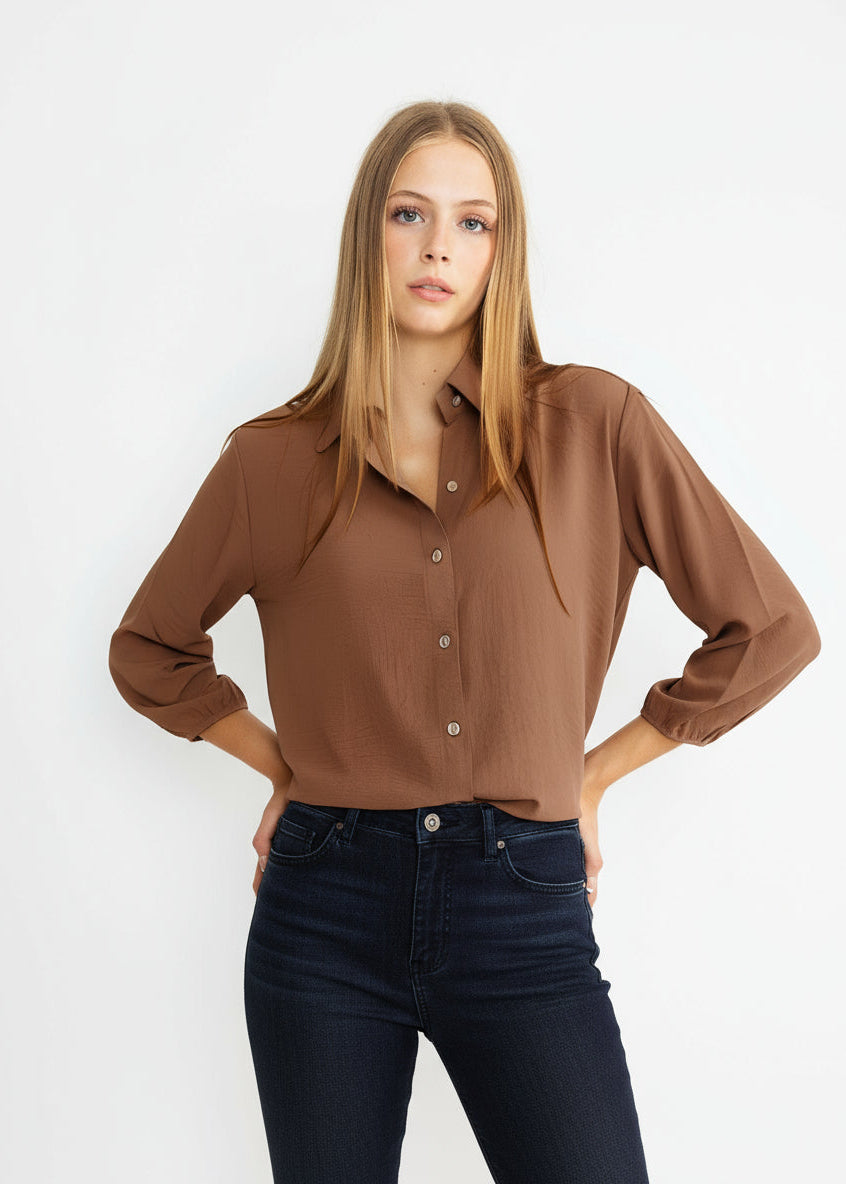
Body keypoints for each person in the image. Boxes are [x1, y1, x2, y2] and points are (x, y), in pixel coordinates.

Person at [108, 100, 821, 1184]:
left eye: (474, 222)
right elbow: (150, 645)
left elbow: (770, 627)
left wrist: (594, 775)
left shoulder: (596, 426)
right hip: (323, 909)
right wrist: (283, 766)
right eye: (410, 212)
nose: (440, 246)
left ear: (503, 248)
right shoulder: (272, 461)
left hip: (522, 903)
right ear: (370, 236)